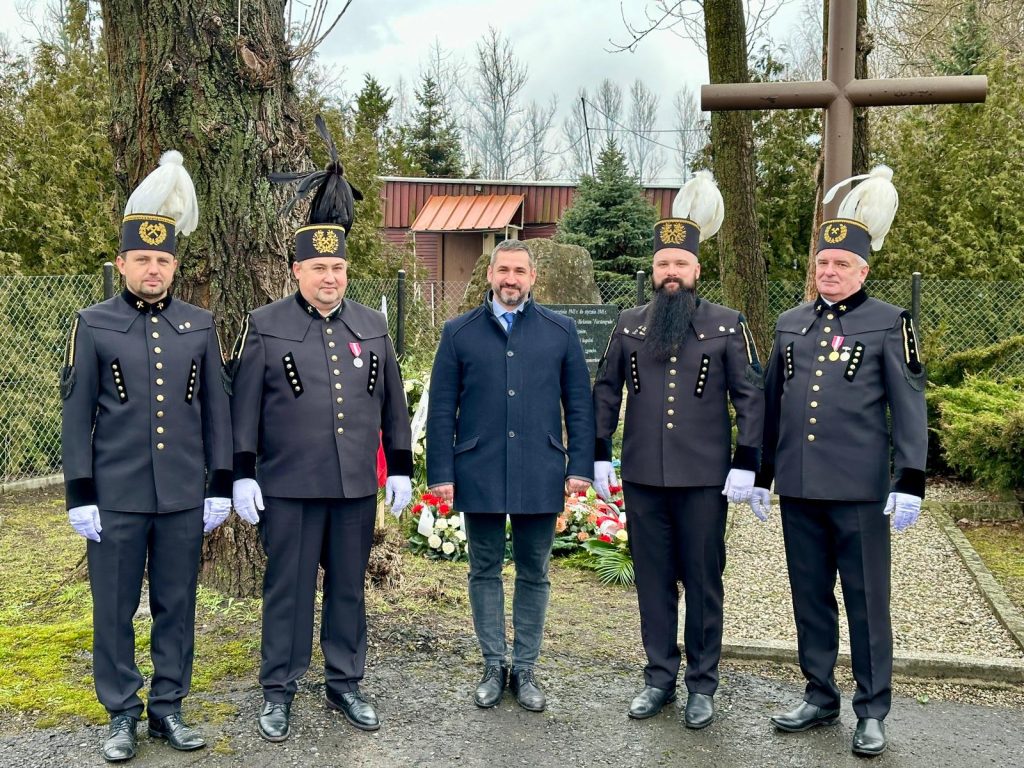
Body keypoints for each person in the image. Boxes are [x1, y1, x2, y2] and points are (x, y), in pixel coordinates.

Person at [227, 115, 412, 743]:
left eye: (338, 268)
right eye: (318, 269)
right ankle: (277, 689)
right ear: (298, 271)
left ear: (346, 269)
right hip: (288, 486)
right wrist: (241, 475)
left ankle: (345, 682)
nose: (330, 277)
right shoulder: (266, 322)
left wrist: (403, 470)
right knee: (287, 592)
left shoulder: (372, 324)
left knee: (349, 593)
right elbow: (244, 408)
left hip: (355, 486)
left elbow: (392, 405)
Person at [60, 151, 232, 763]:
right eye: (142, 259)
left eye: (163, 260)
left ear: (173, 265)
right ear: (122, 264)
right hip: (117, 497)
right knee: (113, 609)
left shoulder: (199, 324)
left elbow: (217, 411)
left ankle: (168, 707)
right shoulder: (94, 323)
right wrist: (80, 494)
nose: (153, 269)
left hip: (183, 494)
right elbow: (77, 416)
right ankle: (121, 713)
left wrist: (220, 484)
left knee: (175, 604)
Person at [753, 165, 927, 757]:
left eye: (841, 265)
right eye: (822, 265)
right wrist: (759, 473)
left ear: (863, 270)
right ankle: (819, 694)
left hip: (858, 491)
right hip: (799, 488)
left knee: (866, 600)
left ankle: (872, 709)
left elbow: (908, 406)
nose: (829, 273)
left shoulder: (889, 322)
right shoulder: (790, 324)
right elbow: (772, 403)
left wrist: (911, 478)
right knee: (809, 595)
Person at [591, 171, 765, 729]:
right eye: (663, 264)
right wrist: (598, 451)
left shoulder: (727, 325)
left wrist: (747, 461)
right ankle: (659, 677)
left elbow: (751, 397)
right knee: (653, 580)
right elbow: (605, 389)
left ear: (696, 270)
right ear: (654, 270)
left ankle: (702, 684)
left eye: (680, 265)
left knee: (704, 579)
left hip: (704, 480)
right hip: (643, 476)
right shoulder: (629, 325)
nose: (671, 274)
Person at [426, 239, 594, 712]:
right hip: (478, 467)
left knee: (534, 571)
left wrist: (579, 465)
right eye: (504, 270)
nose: (511, 279)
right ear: (490, 275)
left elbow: (578, 403)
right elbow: (442, 408)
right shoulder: (459, 333)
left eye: (520, 271)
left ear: (533, 277)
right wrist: (441, 470)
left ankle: (525, 669)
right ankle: (491, 665)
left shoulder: (559, 331)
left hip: (539, 468)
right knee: (483, 569)